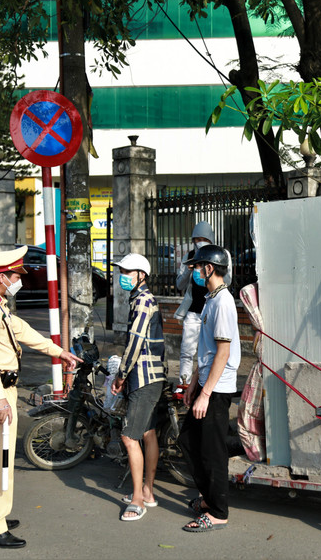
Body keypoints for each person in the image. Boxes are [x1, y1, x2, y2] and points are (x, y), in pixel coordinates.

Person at [0, 246, 82, 548]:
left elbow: (23, 331)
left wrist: (59, 352)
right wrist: (0, 398)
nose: (20, 280)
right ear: (3, 277)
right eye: (16, 275)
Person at [177, 244, 240, 532]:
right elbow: (205, 350)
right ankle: (207, 498)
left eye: (198, 268)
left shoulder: (223, 302)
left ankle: (217, 512)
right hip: (205, 384)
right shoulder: (211, 299)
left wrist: (205, 393)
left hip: (217, 388)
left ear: (209, 269)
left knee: (212, 452)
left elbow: (223, 353)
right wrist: (193, 383)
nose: (196, 273)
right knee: (189, 441)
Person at [110, 253, 167, 522]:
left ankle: (137, 501)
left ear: (141, 275)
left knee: (129, 437)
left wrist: (121, 374)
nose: (122, 275)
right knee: (148, 432)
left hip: (143, 377)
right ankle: (148, 491)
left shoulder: (142, 301)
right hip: (151, 377)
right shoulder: (141, 299)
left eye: (127, 271)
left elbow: (134, 343)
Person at [174, 221, 232, 385]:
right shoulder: (190, 256)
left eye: (203, 238)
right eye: (196, 239)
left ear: (210, 239)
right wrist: (190, 269)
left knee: (209, 351)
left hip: (212, 309)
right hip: (193, 311)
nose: (199, 242)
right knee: (187, 351)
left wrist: (213, 266)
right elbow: (179, 285)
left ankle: (205, 383)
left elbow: (228, 281)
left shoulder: (221, 254)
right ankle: (184, 384)